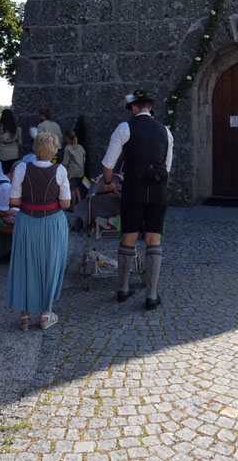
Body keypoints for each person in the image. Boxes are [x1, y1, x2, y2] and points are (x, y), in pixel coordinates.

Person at [100, 89, 173, 311]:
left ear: (134, 108)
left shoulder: (125, 128)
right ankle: (151, 295)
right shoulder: (165, 131)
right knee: (154, 238)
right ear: (149, 107)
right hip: (158, 188)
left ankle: (122, 288)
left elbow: (108, 164)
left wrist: (108, 182)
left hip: (133, 187)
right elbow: (167, 167)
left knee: (129, 236)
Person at [6, 132, 70, 331]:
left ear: (35, 148)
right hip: (51, 221)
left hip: (26, 220)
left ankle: (24, 316)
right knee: (49, 264)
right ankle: (45, 313)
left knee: (24, 264)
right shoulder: (60, 170)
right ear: (54, 150)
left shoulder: (22, 168)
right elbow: (66, 203)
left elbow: (14, 201)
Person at [61, 129, 86, 208]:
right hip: (80, 171)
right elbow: (84, 158)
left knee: (72, 189)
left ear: (67, 138)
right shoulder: (80, 147)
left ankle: (73, 205)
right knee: (76, 187)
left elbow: (65, 162)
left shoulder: (68, 148)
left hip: (72, 172)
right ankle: (80, 202)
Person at [0, 109, 22, 174]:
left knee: (2, 172)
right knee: (13, 172)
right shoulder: (16, 127)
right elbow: (19, 142)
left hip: (2, 152)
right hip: (14, 152)